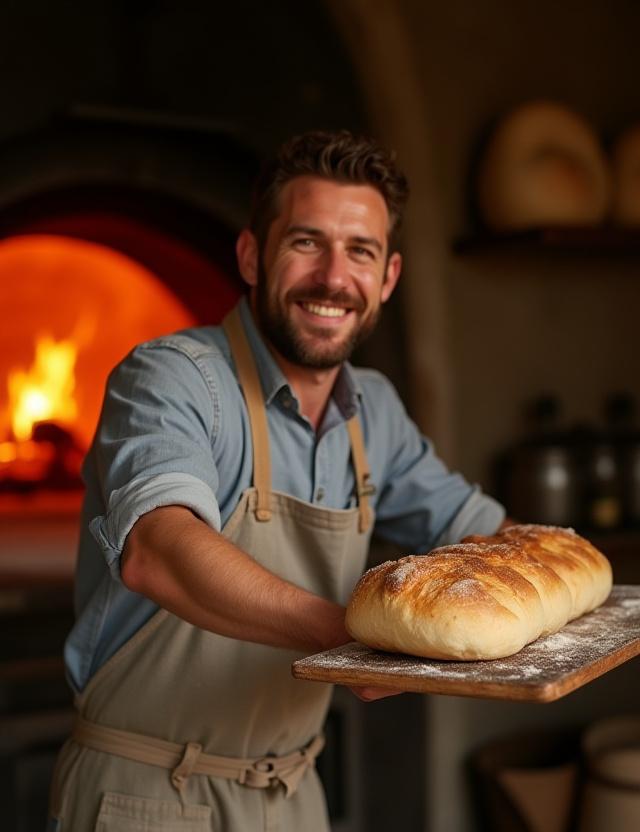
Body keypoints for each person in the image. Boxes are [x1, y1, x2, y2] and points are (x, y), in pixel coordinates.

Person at [49, 129, 506, 831]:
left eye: (361, 251)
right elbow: (157, 549)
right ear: (252, 256)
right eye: (305, 242)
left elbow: (484, 537)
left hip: (293, 797)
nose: (333, 277)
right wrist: (349, 638)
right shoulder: (173, 377)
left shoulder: (374, 409)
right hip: (144, 795)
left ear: (387, 278)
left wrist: (547, 597)